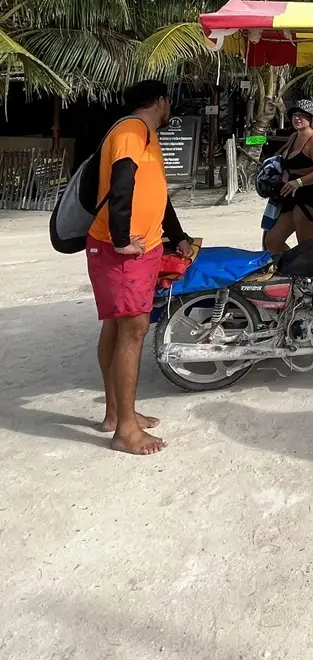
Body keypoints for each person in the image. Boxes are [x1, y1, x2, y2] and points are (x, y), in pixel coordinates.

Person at [86, 80, 193, 456]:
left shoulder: (144, 134)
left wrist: (177, 235)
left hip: (136, 247)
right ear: (161, 102)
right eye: (169, 102)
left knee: (118, 325)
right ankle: (125, 431)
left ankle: (117, 414)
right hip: (122, 250)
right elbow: (122, 183)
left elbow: (154, 191)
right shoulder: (132, 131)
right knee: (132, 329)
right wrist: (120, 239)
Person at [264, 100, 313, 254]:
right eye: (294, 115)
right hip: (289, 195)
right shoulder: (294, 136)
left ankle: (306, 268)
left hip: (310, 195)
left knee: (306, 246)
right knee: (272, 241)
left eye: (301, 115)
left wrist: (299, 182)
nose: (297, 118)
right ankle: (292, 263)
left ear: (311, 118)